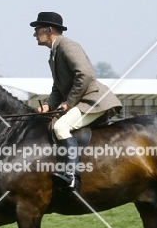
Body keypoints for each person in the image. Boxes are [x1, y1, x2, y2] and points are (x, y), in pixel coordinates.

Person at [30, 12, 122, 192]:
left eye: (37, 30)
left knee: (60, 127)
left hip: (92, 100)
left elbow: (85, 74)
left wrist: (69, 102)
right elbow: (58, 87)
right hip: (81, 101)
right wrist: (49, 104)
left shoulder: (67, 46)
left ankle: (72, 177)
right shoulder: (54, 53)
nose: (34, 34)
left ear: (48, 30)